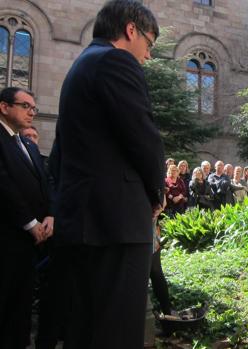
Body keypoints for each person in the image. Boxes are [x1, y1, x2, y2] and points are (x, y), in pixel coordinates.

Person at [49, 1, 165, 347]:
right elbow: (142, 135)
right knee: (116, 331)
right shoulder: (115, 61)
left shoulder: (82, 65)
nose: (148, 55)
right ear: (131, 30)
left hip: (87, 221)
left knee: (87, 329)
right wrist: (156, 194)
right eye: (150, 44)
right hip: (115, 223)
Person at [0, 87, 53, 348]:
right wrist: (30, 222)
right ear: (5, 107)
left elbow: (44, 185)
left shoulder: (28, 145)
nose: (32, 112)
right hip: (7, 238)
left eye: (34, 108)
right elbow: (3, 184)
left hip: (31, 244)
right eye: (26, 106)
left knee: (20, 312)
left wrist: (50, 216)